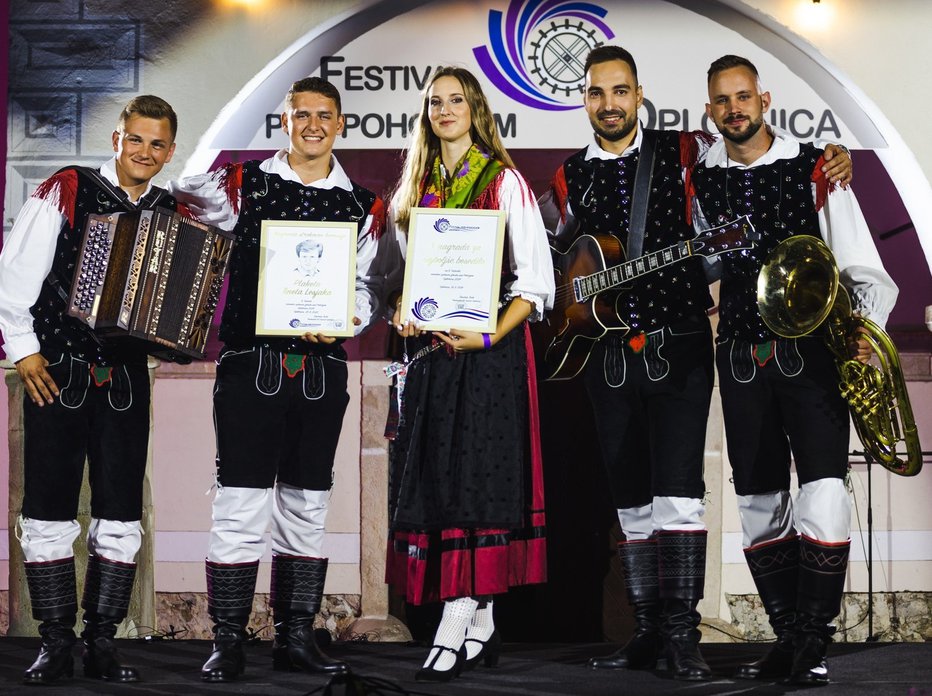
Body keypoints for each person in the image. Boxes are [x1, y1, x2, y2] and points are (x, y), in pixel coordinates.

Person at [538, 46, 853, 681]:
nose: (610, 103)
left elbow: (753, 161)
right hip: (604, 354)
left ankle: (686, 638)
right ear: (585, 101)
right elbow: (549, 257)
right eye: (597, 93)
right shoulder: (567, 176)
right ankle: (650, 633)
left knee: (680, 496)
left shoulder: (685, 155)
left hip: (679, 347)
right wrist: (568, 294)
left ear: (639, 93)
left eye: (620, 91)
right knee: (629, 502)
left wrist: (830, 161)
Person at [167, 77, 388, 682]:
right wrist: (225, 121)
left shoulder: (361, 205)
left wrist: (349, 317)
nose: (312, 124)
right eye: (300, 115)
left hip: (323, 369)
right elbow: (187, 186)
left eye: (324, 115)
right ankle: (229, 640)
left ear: (340, 123)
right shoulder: (246, 188)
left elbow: (368, 289)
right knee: (240, 504)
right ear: (283, 122)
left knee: (307, 505)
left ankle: (296, 638)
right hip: (250, 366)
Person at [690, 54, 898, 686]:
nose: (735, 109)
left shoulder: (815, 168)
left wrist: (864, 331)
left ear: (765, 98)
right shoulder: (700, 181)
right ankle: (788, 639)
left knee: (824, 491)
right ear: (709, 111)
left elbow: (859, 260)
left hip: (814, 358)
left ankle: (813, 641)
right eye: (722, 101)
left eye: (744, 96)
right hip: (743, 358)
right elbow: (701, 266)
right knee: (756, 497)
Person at [0, 95, 181, 685]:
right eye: (136, 139)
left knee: (121, 512)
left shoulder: (170, 210)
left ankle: (102, 641)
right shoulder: (69, 189)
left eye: (158, 144)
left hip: (127, 379)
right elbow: (14, 273)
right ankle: (54, 642)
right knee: (48, 507)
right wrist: (23, 349)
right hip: (58, 371)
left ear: (170, 151)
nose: (145, 152)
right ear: (116, 137)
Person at [383, 66, 555, 682]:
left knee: (480, 482)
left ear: (476, 109)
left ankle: (457, 616)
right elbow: (408, 283)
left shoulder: (503, 181)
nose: (445, 110)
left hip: (490, 355)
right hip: (433, 358)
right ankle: (479, 622)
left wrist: (487, 334)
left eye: (456, 100)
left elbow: (535, 284)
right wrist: (406, 310)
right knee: (441, 482)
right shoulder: (416, 187)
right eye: (435, 102)